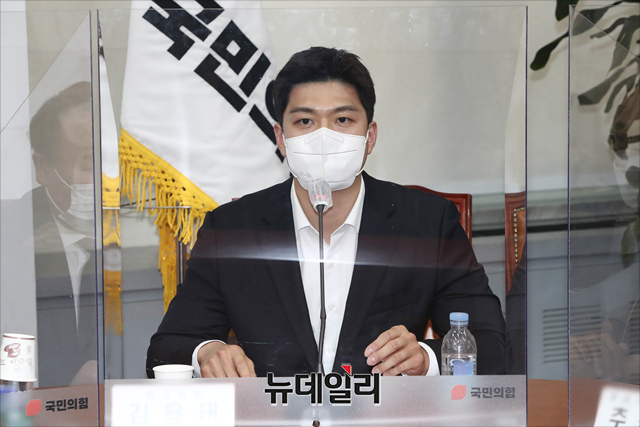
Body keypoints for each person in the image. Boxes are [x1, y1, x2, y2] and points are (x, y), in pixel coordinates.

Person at [147, 47, 506, 378]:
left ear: (370, 137)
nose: (323, 137)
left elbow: (493, 346)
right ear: (281, 138)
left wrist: (426, 359)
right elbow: (165, 350)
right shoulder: (232, 229)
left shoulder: (427, 223)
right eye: (305, 121)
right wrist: (208, 352)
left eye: (343, 120)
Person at [27, 81, 98, 387]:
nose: (108, 180)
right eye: (89, 163)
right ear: (42, 168)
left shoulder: (153, 236)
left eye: (114, 162)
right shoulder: (10, 236)